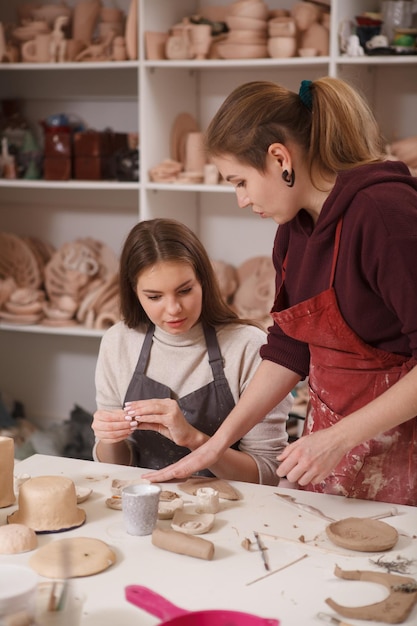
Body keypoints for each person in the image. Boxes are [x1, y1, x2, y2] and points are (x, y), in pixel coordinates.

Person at [143, 77, 417, 506]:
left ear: (279, 158)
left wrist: (337, 440)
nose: (240, 199)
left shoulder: (384, 213)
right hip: (333, 444)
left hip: (401, 452)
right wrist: (216, 444)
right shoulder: (293, 230)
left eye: (240, 181)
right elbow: (290, 349)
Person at [92, 218, 292, 485]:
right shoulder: (118, 342)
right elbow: (115, 466)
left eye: (185, 290)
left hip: (233, 511)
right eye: (154, 297)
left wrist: (193, 439)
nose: (173, 308)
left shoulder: (248, 346)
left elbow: (267, 475)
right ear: (134, 293)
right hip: (144, 501)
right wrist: (109, 438)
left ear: (204, 282)